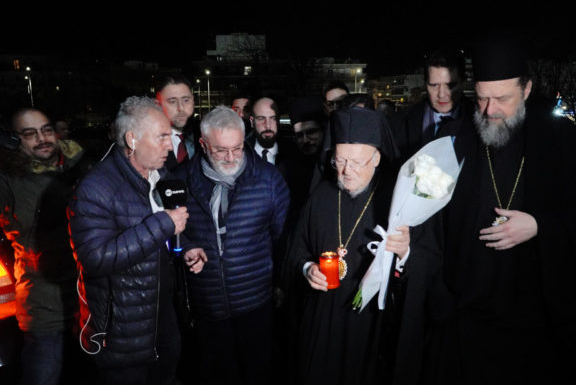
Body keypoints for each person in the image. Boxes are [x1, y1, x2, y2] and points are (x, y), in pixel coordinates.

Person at [427, 36, 576, 385]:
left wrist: (540, 226)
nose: (489, 110)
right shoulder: (454, 137)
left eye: (502, 99)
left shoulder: (562, 138)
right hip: (468, 317)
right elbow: (430, 224)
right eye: (482, 97)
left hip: (537, 321)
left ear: (526, 89)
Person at [289, 107, 438, 385]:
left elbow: (429, 260)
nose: (346, 171)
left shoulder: (400, 200)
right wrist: (307, 268)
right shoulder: (321, 194)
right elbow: (297, 249)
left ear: (377, 158)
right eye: (340, 160)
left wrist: (405, 252)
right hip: (324, 318)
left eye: (357, 162)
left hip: (372, 325)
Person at [68, 96, 194, 385]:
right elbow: (95, 258)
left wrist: (186, 246)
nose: (169, 145)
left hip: (163, 317)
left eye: (170, 136)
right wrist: (163, 224)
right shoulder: (95, 189)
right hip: (122, 331)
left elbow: (167, 231)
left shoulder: (160, 175)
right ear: (132, 139)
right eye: (162, 137)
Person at [175, 105, 290, 384]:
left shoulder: (268, 180)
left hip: (255, 303)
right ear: (203, 144)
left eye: (237, 148)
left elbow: (282, 238)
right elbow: (169, 233)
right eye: (220, 150)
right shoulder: (180, 180)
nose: (230, 158)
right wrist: (185, 246)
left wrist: (279, 284)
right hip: (206, 304)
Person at [0, 108, 93, 385]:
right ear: (14, 141)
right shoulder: (9, 179)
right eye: (30, 134)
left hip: (87, 300)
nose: (42, 139)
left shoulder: (81, 164)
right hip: (43, 304)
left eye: (46, 130)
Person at [395, 49, 472, 162]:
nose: (441, 94)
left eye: (450, 85)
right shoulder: (398, 123)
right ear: (425, 83)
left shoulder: (481, 121)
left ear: (463, 82)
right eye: (434, 85)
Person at [155, 74, 199, 171]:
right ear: (158, 105)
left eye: (186, 100)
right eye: (172, 102)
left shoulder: (205, 134)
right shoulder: (147, 142)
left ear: (193, 101)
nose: (180, 108)